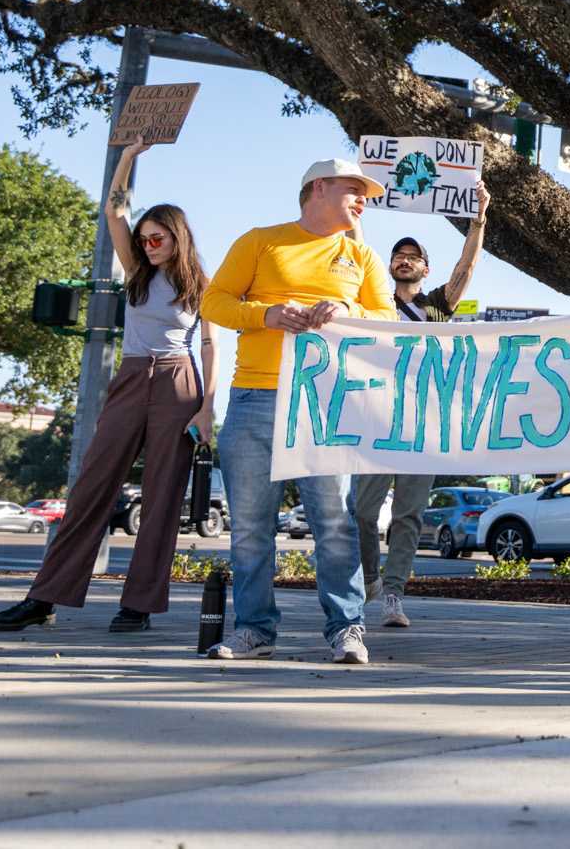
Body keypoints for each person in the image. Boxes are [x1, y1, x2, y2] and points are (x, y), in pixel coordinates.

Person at [0, 144, 216, 634]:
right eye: (145, 238)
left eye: (158, 238)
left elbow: (210, 344)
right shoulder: (135, 273)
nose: (150, 244)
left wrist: (206, 409)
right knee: (94, 483)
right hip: (133, 376)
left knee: (162, 495)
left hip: (180, 381)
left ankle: (137, 606)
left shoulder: (200, 283)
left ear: (178, 238)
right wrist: (130, 154)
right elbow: (115, 209)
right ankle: (44, 597)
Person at [201, 157, 395, 663]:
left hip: (326, 404)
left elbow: (387, 318)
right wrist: (264, 314)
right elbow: (214, 302)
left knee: (333, 522)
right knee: (248, 526)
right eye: (354, 190)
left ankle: (347, 630)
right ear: (318, 188)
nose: (362, 200)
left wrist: (348, 311)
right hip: (254, 398)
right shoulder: (261, 240)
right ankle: (254, 631)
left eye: (366, 194)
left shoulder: (363, 256)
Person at [353, 184, 490, 630]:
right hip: (376, 421)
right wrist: (353, 211)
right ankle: (371, 578)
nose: (405, 259)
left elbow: (466, 269)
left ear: (425, 269)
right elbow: (353, 250)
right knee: (361, 511)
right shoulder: (374, 303)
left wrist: (478, 221)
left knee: (408, 516)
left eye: (414, 256)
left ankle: (393, 593)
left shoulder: (434, 308)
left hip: (420, 425)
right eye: (399, 254)